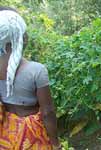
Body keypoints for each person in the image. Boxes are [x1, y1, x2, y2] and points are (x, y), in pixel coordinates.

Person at [0, 6, 61, 149]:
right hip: (32, 135)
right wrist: (56, 145)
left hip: (6, 133)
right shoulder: (36, 70)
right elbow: (48, 112)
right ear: (22, 37)